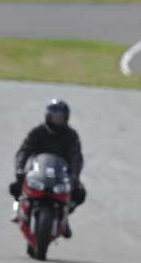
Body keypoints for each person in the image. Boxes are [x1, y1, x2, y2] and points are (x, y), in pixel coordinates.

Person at [9, 99, 85, 237]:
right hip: (38, 171)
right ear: (47, 116)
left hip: (61, 174)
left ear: (66, 118)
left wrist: (75, 175)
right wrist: (19, 169)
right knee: (15, 186)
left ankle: (65, 217)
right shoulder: (38, 132)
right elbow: (24, 151)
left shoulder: (71, 135)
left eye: (60, 117)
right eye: (54, 116)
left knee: (80, 193)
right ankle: (17, 210)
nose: (57, 120)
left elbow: (76, 157)